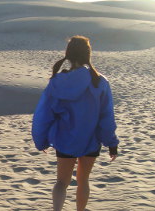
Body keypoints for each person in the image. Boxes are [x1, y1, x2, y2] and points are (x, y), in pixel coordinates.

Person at [31, 35, 119, 211]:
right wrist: (111, 144)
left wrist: (40, 140)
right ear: (88, 54)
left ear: (68, 55)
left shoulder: (57, 81)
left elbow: (43, 114)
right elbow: (106, 117)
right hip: (90, 140)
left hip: (64, 140)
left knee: (61, 182)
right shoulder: (100, 82)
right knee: (83, 180)